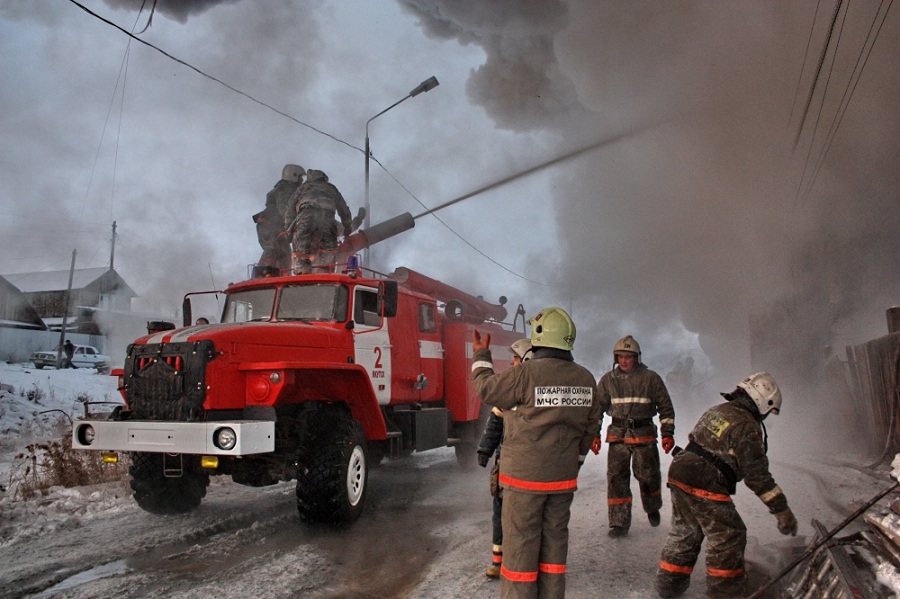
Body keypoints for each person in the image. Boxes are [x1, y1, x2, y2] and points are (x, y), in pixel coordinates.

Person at [472, 307, 600, 599]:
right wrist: (574, 464)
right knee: (554, 554)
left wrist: (481, 355)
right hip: (562, 481)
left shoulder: (525, 374)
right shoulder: (586, 379)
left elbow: (486, 389)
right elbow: (590, 428)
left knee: (519, 556)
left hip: (523, 482)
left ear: (539, 337)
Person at [655, 372, 798, 598]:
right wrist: (781, 510)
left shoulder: (718, 410)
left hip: (680, 470)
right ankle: (725, 593)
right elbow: (757, 476)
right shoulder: (747, 427)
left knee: (686, 531)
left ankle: (668, 587)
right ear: (762, 403)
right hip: (705, 479)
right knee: (729, 535)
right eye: (768, 412)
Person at [594, 335, 675, 537]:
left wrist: (668, 434)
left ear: (636, 358)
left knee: (648, 476)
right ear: (615, 358)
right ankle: (619, 523)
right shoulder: (607, 381)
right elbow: (596, 411)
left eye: (628, 357)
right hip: (617, 437)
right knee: (616, 480)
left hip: (644, 436)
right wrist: (593, 434)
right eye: (620, 356)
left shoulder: (651, 378)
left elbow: (666, 408)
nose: (624, 360)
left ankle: (652, 507)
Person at [476, 338, 533, 579]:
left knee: (525, 519)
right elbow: (495, 425)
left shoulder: (533, 390)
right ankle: (498, 562)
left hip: (527, 468)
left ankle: (526, 563)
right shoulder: (508, 388)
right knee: (499, 515)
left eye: (516, 358)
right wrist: (484, 450)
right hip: (505, 466)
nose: (511, 362)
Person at [286, 169, 352, 274]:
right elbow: (343, 209)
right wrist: (348, 226)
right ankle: (325, 271)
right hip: (328, 217)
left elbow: (290, 208)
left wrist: (288, 227)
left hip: (306, 215)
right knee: (328, 249)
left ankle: (302, 273)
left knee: (301, 248)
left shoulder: (303, 188)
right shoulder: (331, 188)